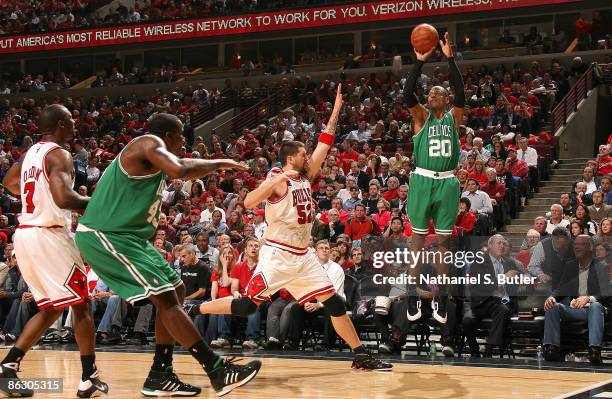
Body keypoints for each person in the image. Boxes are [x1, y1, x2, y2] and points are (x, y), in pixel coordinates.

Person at [190, 87, 391, 371]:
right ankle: (195, 308)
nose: (308, 156)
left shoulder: (304, 175)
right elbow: (248, 202)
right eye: (302, 154)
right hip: (278, 256)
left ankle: (359, 355)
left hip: (303, 256)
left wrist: (336, 108)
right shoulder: (278, 178)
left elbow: (325, 142)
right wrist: (276, 179)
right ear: (290, 158)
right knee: (248, 305)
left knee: (333, 303)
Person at [74, 112, 260, 397]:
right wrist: (218, 162)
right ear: (170, 135)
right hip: (106, 235)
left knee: (177, 289)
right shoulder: (146, 143)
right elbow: (180, 168)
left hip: (130, 238)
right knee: (164, 298)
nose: (184, 142)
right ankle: (216, 369)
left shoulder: (155, 160)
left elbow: (182, 165)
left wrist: (218, 163)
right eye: (181, 136)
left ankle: (160, 374)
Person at [0, 104, 108, 398]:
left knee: (50, 308)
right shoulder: (59, 154)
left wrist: (37, 196)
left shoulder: (32, 153)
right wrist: (100, 204)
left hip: (25, 235)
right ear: (61, 124)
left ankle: (8, 368)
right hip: (49, 236)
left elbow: (10, 182)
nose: (76, 123)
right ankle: (89, 376)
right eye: (72, 120)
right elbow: (64, 199)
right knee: (82, 304)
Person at [403, 32, 465, 324]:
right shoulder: (420, 118)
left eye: (437, 93)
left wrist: (450, 59)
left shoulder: (454, 118)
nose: (431, 96)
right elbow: (407, 95)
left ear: (446, 98)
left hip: (448, 182)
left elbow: (462, 95)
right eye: (429, 94)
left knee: (443, 243)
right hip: (423, 180)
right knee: (416, 240)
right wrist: (418, 63)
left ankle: (439, 296)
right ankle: (414, 294)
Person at [542, 235, 611, 364]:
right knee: (553, 305)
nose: (577, 247)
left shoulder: (601, 266)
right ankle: (551, 348)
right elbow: (561, 288)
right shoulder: (570, 266)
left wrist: (589, 298)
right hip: (575, 308)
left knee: (595, 306)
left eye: (581, 244)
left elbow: (606, 293)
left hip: (595, 309)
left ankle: (594, 350)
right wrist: (552, 297)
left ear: (590, 247)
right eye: (575, 244)